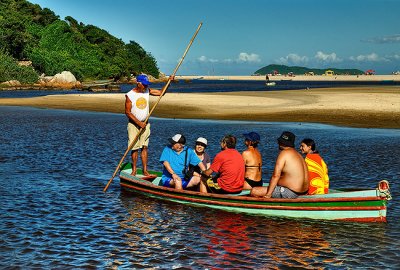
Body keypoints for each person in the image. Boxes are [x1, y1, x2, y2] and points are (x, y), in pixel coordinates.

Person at [125, 74, 171, 176]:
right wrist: (138, 123)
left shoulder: (147, 91)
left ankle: (145, 170)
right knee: (134, 148)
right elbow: (127, 112)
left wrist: (168, 82)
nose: (146, 87)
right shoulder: (130, 95)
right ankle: (134, 170)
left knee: (144, 147)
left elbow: (161, 93)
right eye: (144, 85)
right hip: (133, 125)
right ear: (138, 83)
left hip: (145, 124)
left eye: (147, 85)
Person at [251, 131, 308, 199]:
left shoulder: (284, 153)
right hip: (304, 192)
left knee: (254, 191)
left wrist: (268, 194)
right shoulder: (299, 155)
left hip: (291, 193)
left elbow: (275, 176)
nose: (278, 143)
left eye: (279, 142)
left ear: (282, 143)